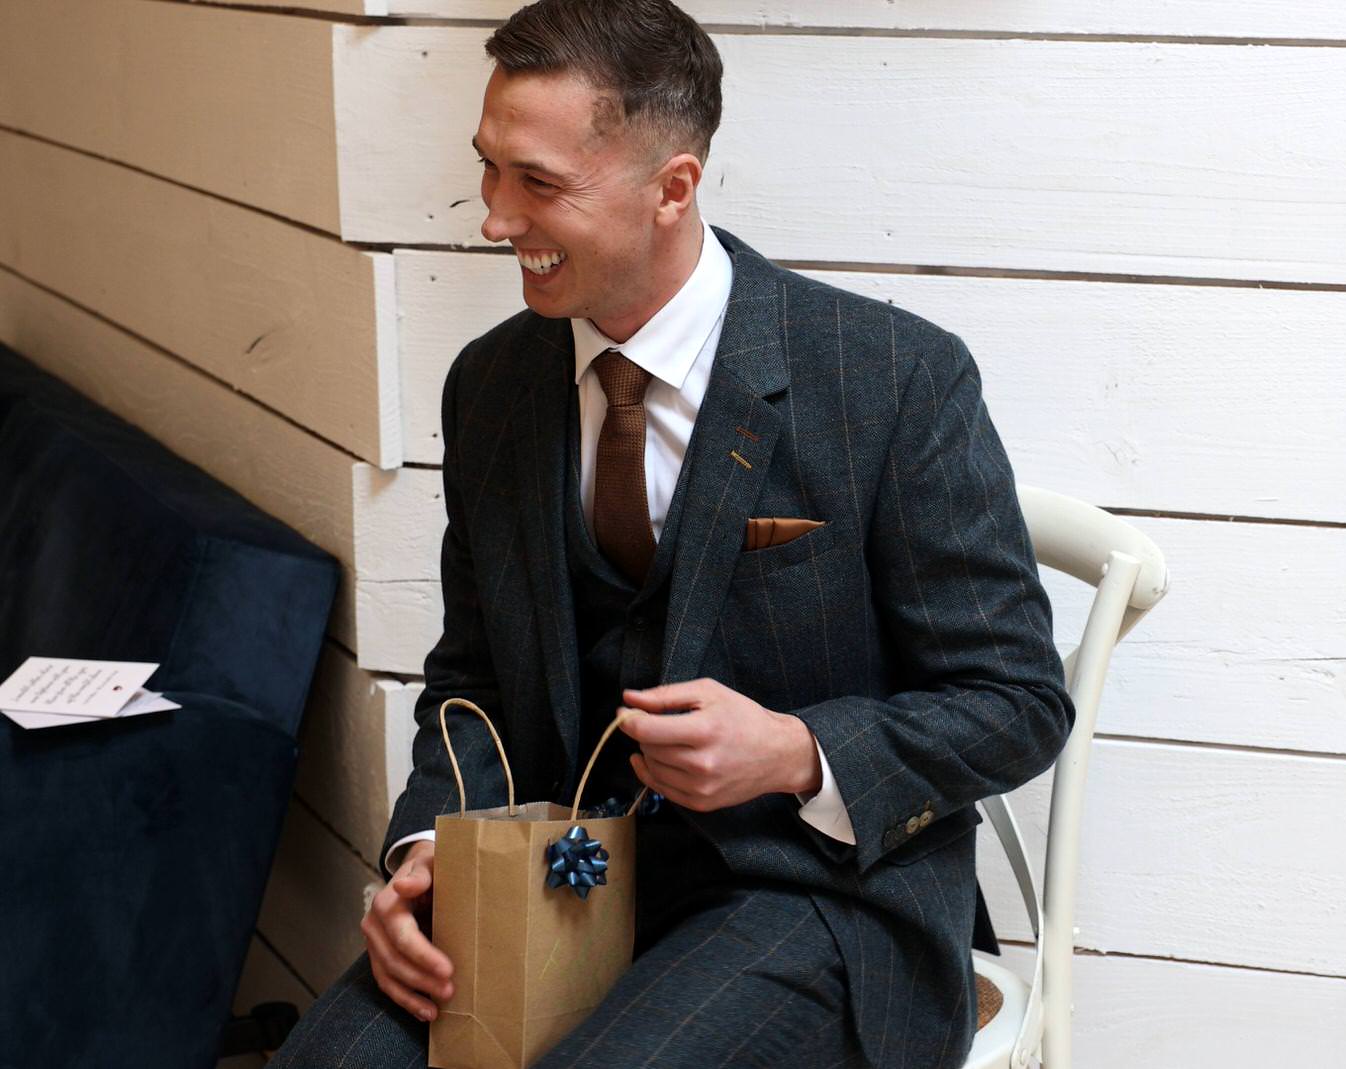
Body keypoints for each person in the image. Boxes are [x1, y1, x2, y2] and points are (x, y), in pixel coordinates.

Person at [270, 1, 1073, 1066]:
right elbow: (474, 685)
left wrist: (795, 751)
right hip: (557, 879)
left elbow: (1015, 703)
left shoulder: (891, 380)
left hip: (814, 892)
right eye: (490, 170)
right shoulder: (493, 385)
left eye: (538, 183)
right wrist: (430, 853)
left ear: (673, 187)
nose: (493, 218)